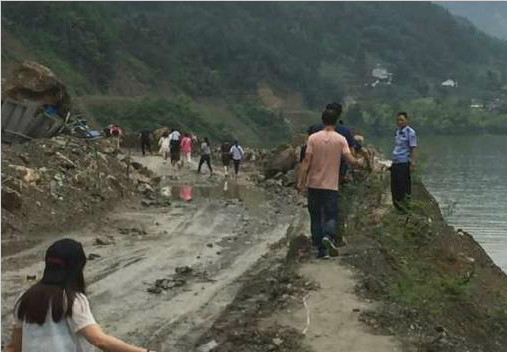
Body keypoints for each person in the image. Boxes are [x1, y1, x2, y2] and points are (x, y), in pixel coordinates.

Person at [3, 238, 156, 352]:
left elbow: (14, 347)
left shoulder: (25, 298)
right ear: (77, 268)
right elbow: (99, 340)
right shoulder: (72, 301)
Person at [297, 109, 363, 259]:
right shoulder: (340, 139)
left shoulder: (313, 138)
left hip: (313, 184)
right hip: (331, 185)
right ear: (336, 121)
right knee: (330, 215)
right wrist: (360, 162)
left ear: (322, 120)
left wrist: (301, 182)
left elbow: (306, 161)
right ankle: (329, 236)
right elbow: (350, 159)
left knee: (315, 216)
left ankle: (321, 250)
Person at [390, 112, 417, 211]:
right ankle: (397, 207)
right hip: (396, 162)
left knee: (403, 186)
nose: (399, 122)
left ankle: (405, 208)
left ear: (406, 120)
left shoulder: (410, 132)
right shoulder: (398, 132)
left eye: (401, 120)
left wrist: (413, 163)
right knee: (395, 186)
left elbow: (413, 148)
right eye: (398, 120)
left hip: (404, 162)